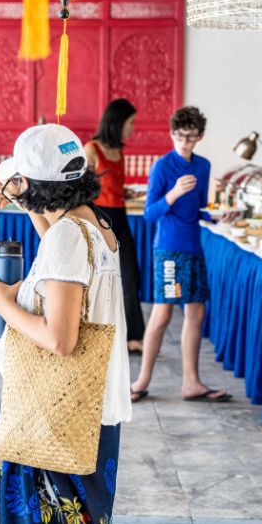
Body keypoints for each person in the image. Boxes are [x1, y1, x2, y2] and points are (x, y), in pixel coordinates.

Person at [0, 124, 129, 524]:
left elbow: (61, 338)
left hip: (61, 422)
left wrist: (4, 304)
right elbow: (58, 248)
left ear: (33, 183)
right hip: (88, 418)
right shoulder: (92, 224)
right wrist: (26, 202)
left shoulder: (69, 237)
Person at [129, 106, 230, 404]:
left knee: (196, 312)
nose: (186, 142)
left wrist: (217, 216)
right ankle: (141, 381)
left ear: (200, 136)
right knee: (162, 313)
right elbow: (150, 213)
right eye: (181, 136)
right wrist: (172, 193)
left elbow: (197, 210)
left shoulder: (203, 166)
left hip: (193, 247)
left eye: (192, 137)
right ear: (172, 134)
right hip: (169, 250)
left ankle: (191, 383)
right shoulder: (162, 167)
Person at [85, 98, 146, 354]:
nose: (132, 128)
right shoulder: (91, 149)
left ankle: (134, 335)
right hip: (99, 219)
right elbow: (84, 190)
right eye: (130, 123)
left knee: (131, 277)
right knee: (98, 279)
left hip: (120, 217)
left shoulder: (119, 151)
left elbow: (113, 187)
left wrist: (126, 192)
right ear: (117, 122)